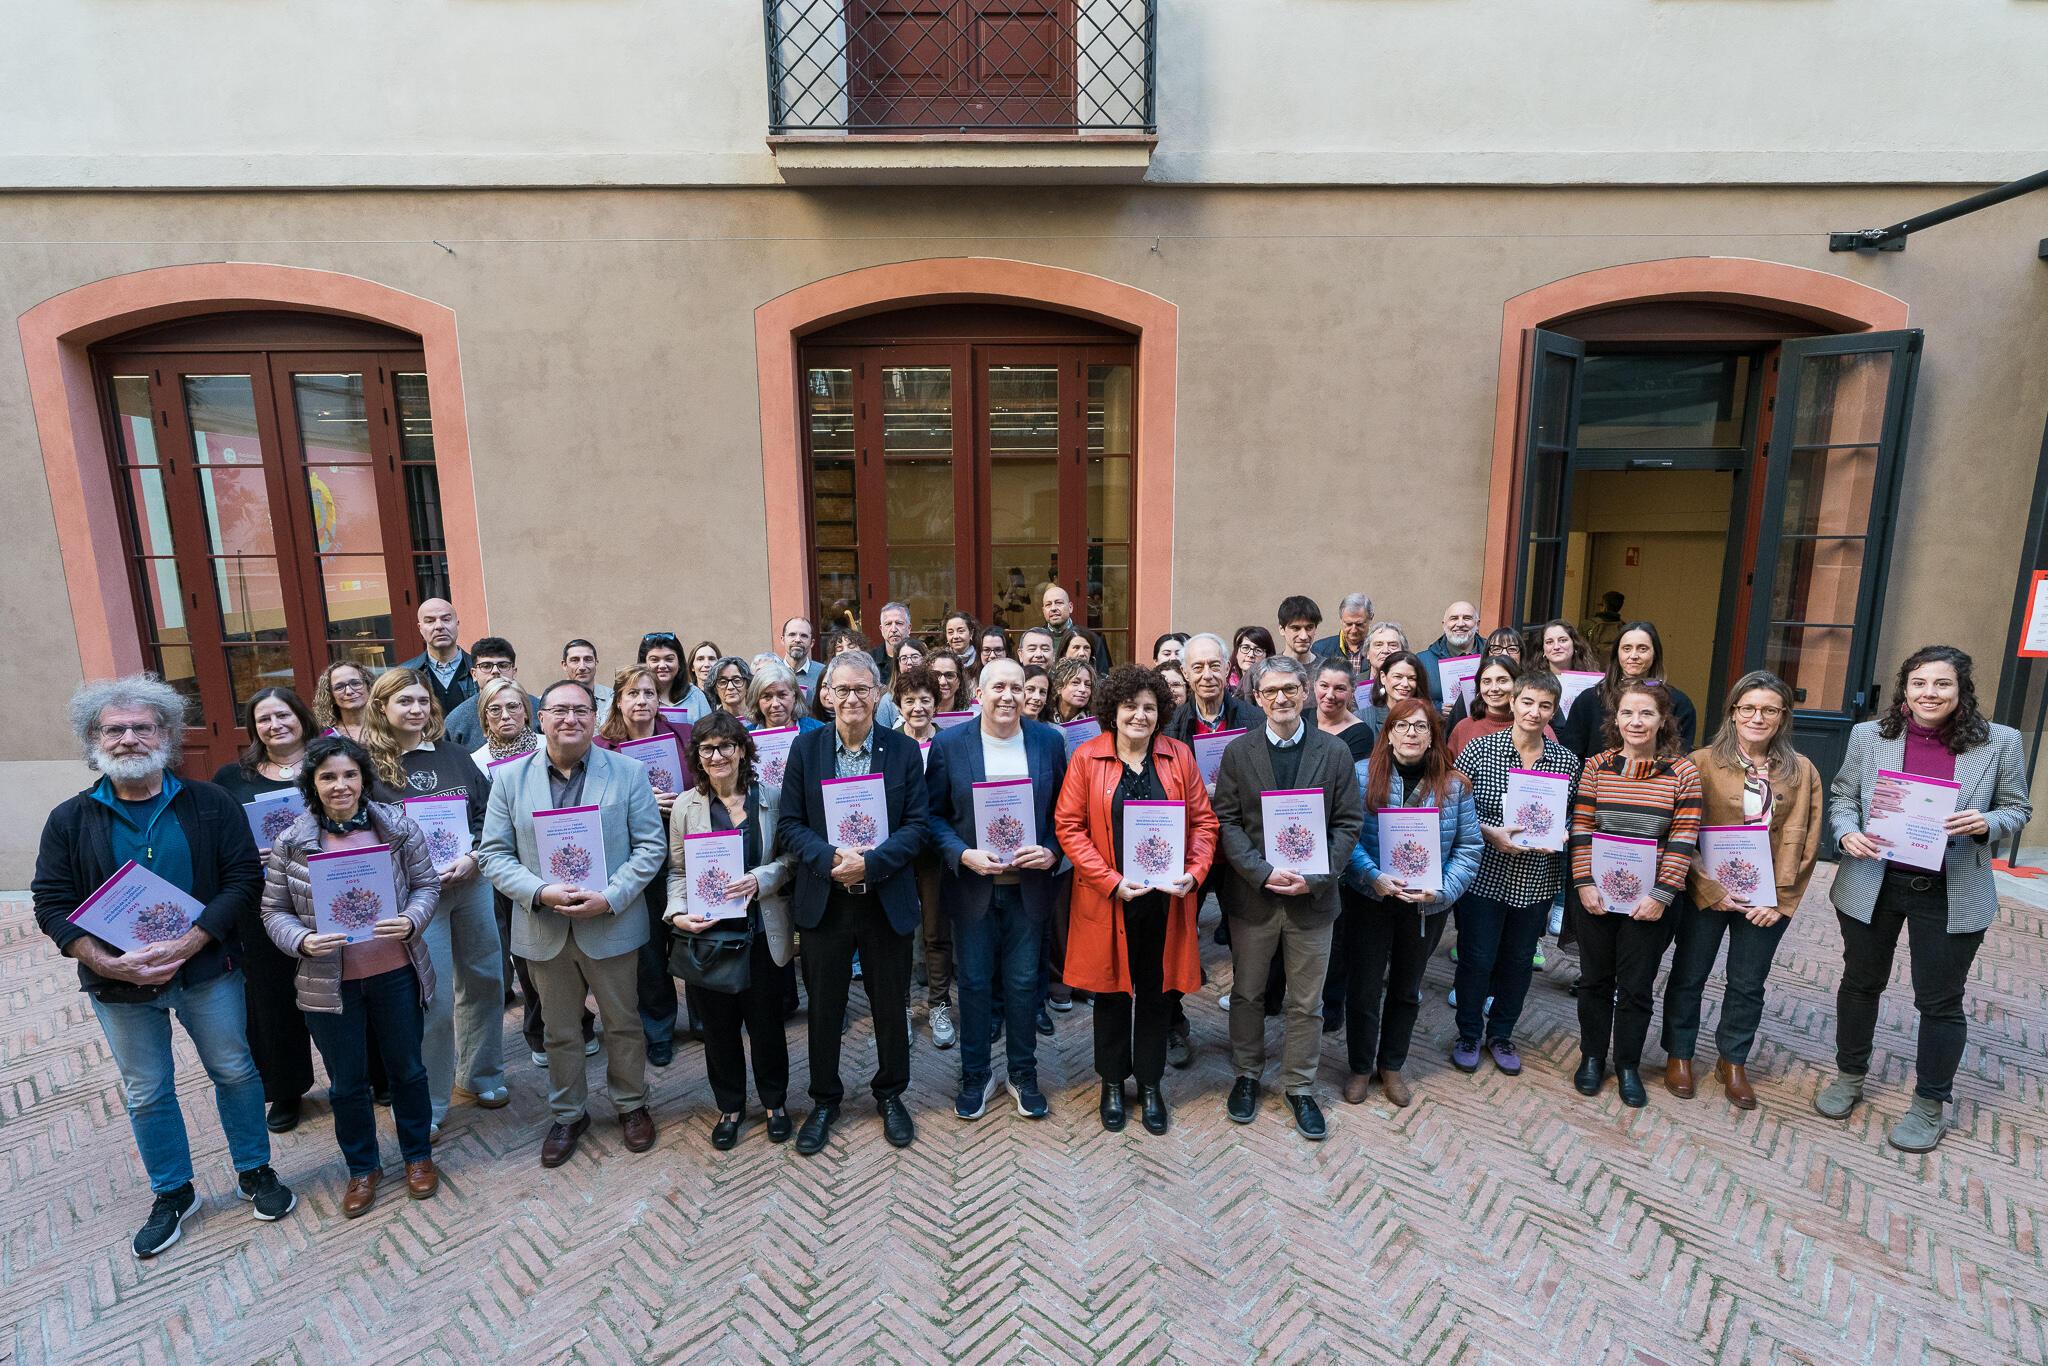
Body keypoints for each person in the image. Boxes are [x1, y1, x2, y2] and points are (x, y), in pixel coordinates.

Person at [31, 676, 296, 1258]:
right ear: (94, 739)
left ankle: (255, 1171)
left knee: (235, 1071)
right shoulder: (69, 819)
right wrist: (104, 961)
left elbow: (242, 879)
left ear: (167, 734)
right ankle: (173, 1192)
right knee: (147, 1091)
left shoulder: (210, 803)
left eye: (142, 727)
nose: (128, 738)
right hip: (119, 984)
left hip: (208, 972)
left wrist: (193, 941)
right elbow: (49, 901)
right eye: (114, 729)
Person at [1817, 645, 2031, 1151]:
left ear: (1961, 690)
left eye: (1942, 684)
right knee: (1860, 984)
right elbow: (1843, 796)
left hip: (1950, 890)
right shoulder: (1870, 736)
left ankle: (1929, 1104)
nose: (1929, 693)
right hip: (1874, 881)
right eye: (1919, 683)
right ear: (1905, 688)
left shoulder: (1999, 741)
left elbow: (2017, 808)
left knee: (1939, 1001)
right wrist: (1846, 832)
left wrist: (1986, 822)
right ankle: (1849, 1076)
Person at [479, 679, 668, 1166]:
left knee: (623, 1024)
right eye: (559, 710)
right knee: (560, 1031)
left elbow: (651, 847)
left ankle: (631, 1104)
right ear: (540, 719)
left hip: (611, 922)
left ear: (594, 717)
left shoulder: (628, 772)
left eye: (581, 710)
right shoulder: (509, 780)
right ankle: (568, 1113)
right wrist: (539, 892)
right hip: (545, 926)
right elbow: (493, 854)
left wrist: (610, 897)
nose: (570, 719)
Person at [260, 735, 440, 1215]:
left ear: (364, 779)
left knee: (408, 1071)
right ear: (312, 784)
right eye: (328, 777)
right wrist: (302, 940)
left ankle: (417, 1156)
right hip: (329, 983)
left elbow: (426, 885)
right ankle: (362, 1168)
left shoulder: (397, 828)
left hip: (396, 972)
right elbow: (273, 910)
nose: (340, 786)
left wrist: (412, 920)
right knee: (347, 1083)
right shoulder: (291, 842)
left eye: (349, 775)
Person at [777, 651, 931, 1154]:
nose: (852, 699)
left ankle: (891, 1094)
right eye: (841, 689)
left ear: (877, 693)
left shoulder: (903, 750)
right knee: (825, 1007)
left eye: (862, 689)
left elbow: (918, 826)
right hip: (826, 898)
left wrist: (873, 862)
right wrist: (829, 859)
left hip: (884, 896)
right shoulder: (806, 748)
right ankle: (824, 1100)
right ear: (825, 695)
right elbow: (790, 824)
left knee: (890, 1003)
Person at [1057, 664, 1218, 1135]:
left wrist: (1194, 873)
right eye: (1130, 706)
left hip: (1164, 901)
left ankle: (1149, 1083)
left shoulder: (1178, 756)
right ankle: (1112, 1083)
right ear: (1114, 710)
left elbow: (1204, 823)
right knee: (1109, 994)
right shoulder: (1087, 758)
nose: (1140, 715)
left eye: (1149, 707)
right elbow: (1069, 826)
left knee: (1156, 993)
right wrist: (1108, 880)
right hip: (1109, 898)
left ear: (1160, 712)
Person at [1212, 656, 1364, 1139]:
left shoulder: (1333, 752)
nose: (1281, 698)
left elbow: (1348, 822)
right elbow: (1226, 821)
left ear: (1305, 692)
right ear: (1257, 697)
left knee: (1306, 1001)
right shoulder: (1238, 752)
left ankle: (1299, 1086)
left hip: (1311, 900)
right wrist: (1261, 872)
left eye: (1290, 690)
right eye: (1271, 691)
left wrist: (1315, 877)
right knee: (1248, 992)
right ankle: (1247, 1075)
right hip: (1254, 897)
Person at [1659, 671, 1821, 1109]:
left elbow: (1807, 841)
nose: (1757, 717)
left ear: (1783, 716)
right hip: (1707, 893)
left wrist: (1781, 902)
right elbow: (1680, 832)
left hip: (1767, 899)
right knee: (1689, 974)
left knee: (1748, 983)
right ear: (1732, 712)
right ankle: (1679, 1054)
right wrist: (1707, 888)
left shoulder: (1802, 771)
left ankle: (1733, 1061)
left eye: (1769, 709)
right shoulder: (1700, 763)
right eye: (1748, 708)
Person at [363, 669, 507, 1125]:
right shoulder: (366, 766)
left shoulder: (456, 756)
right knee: (435, 998)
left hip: (470, 883)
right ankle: (432, 1100)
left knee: (485, 980)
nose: (417, 709)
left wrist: (475, 856)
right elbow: (361, 836)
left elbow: (488, 814)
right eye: (405, 701)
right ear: (382, 707)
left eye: (423, 701)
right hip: (415, 898)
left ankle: (481, 1074)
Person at [927, 658, 1069, 1119]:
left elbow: (1064, 813)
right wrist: (962, 854)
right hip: (973, 886)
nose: (1008, 696)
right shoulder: (950, 744)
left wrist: (1052, 851)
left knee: (1025, 984)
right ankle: (975, 1075)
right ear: (979, 694)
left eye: (1017, 687)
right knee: (972, 983)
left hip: (1029, 886)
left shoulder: (1048, 741)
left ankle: (1023, 1074)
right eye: (999, 687)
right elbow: (932, 815)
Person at [1339, 698, 1481, 1107]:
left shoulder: (1454, 785)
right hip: (1371, 898)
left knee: (1406, 988)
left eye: (1421, 727)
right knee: (1364, 988)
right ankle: (1360, 1066)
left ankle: (1392, 1065)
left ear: (1434, 736)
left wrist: (1443, 890)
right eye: (1401, 726)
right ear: (1387, 734)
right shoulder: (1361, 775)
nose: (1411, 734)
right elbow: (1346, 836)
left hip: (1425, 906)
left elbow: (1469, 848)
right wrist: (1373, 876)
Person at [1568, 680, 1702, 1109]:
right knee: (1594, 980)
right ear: (1616, 718)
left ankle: (1627, 1064)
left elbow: (1683, 838)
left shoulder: (1683, 773)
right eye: (1627, 712)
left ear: (1663, 721)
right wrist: (1584, 883)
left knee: (1637, 986)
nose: (1636, 721)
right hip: (1597, 896)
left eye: (1646, 713)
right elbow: (1582, 826)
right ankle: (1592, 1057)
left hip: (1651, 900)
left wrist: (1661, 895)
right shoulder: (1597, 767)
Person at [667, 713, 796, 1149]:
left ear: (742, 750)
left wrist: (762, 878)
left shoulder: (771, 797)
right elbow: (677, 871)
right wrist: (678, 914)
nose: (717, 755)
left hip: (761, 932)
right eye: (707, 749)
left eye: (726, 746)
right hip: (710, 938)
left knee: (767, 1025)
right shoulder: (685, 806)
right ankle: (730, 1107)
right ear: (697, 757)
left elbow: (790, 859)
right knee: (719, 1029)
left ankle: (775, 1103)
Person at [1452, 670, 1581, 1077]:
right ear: (1512, 702)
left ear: (1554, 711)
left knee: (1519, 961)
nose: (1534, 712)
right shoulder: (1478, 750)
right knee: (1476, 959)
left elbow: (1575, 814)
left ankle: (1502, 1034)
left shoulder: (1566, 761)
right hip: (1484, 875)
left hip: (1537, 878)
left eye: (1544, 705)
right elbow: (1454, 808)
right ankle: (1468, 1033)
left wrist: (1564, 831)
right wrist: (1488, 832)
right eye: (1527, 702)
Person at [209, 687, 320, 1133]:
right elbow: (218, 837)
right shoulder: (232, 778)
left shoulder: (331, 760)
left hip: (327, 891)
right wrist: (243, 853)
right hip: (263, 899)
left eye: (283, 715)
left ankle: (371, 1074)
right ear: (253, 728)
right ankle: (286, 1088)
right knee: (272, 995)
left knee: (347, 984)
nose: (275, 725)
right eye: (264, 719)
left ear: (301, 717)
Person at [596, 664, 695, 1068]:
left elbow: (708, 782)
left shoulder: (684, 736)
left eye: (649, 693)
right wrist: (640, 801)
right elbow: (596, 806)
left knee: (693, 934)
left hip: (685, 850)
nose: (642, 700)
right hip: (634, 858)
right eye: (633, 693)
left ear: (659, 699)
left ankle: (703, 1019)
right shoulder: (601, 749)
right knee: (650, 948)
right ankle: (659, 1029)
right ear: (618, 701)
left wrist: (683, 798)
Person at [891, 664, 954, 1046]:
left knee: (935, 931)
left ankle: (939, 1004)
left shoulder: (949, 743)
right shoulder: (889, 743)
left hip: (934, 851)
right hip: (898, 852)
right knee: (899, 932)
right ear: (899, 704)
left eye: (925, 700)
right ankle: (900, 1008)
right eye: (910, 700)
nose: (918, 707)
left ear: (936, 703)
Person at [1556, 621, 1697, 758]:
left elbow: (1679, 756)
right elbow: (1570, 756)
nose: (1633, 656)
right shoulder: (1589, 699)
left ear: (1655, 654)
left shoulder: (1679, 703)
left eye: (1642, 649)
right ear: (1617, 653)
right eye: (1627, 648)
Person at [442, 637, 531, 750]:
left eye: (503, 665)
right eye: (486, 666)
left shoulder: (538, 708)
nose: (495, 671)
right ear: (474, 674)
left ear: (514, 671)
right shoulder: (455, 721)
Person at [400, 598, 476, 718]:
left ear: (457, 624)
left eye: (446, 619)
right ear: (420, 628)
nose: (439, 626)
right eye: (430, 621)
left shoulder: (479, 669)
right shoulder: (405, 673)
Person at [1447, 655, 1523, 756]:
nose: (1494, 688)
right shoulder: (1463, 728)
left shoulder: (1533, 725)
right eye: (1486, 682)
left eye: (1502, 680)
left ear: (1517, 684)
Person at [1416, 601, 1481, 707]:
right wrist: (1438, 709)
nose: (1460, 624)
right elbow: (1413, 700)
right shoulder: (1422, 661)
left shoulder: (1492, 656)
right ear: (1444, 625)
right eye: (1454, 618)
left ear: (1477, 624)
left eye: (1467, 618)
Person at [1312, 657, 1375, 761]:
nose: (1330, 695)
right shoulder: (1300, 719)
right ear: (1314, 686)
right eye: (1324, 686)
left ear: (1353, 691)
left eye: (1339, 689)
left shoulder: (1360, 734)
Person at [641, 632, 711, 723]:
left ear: (679, 663)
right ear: (643, 663)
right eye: (654, 660)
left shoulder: (696, 696)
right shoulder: (631, 695)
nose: (662, 665)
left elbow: (710, 731)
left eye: (669, 659)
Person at [471, 676, 539, 767]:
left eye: (512, 707)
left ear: (525, 712)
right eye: (495, 709)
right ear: (485, 718)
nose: (505, 716)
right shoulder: (476, 762)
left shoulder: (549, 748)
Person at [1040, 582, 1110, 669]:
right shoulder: (1035, 640)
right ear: (1043, 611)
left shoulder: (1092, 640)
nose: (1053, 608)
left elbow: (1102, 675)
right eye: (1048, 604)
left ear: (1070, 607)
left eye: (1059, 603)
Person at [1360, 650, 1427, 733]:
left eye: (1411, 678)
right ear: (1383, 677)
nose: (1405, 684)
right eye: (1398, 677)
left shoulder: (1428, 716)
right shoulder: (1363, 718)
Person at [749, 660, 825, 734]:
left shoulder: (819, 731)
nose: (775, 704)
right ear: (756, 701)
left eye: (782, 695)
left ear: (795, 696)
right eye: (767, 697)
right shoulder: (746, 735)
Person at [312, 660, 375, 744]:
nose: (349, 691)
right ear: (331, 696)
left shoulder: (387, 723)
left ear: (369, 687)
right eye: (339, 687)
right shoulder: (327, 734)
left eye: (355, 683)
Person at [1313, 593, 1374, 674]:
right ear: (1341, 620)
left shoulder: (1381, 649)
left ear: (1371, 618)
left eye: (1359, 624)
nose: (1354, 630)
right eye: (1348, 624)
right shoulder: (1320, 649)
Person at [562, 639, 614, 718]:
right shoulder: (548, 700)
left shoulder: (613, 699)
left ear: (596, 662)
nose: (582, 667)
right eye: (575, 660)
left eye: (588, 659)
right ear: (564, 665)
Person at [869, 601, 914, 685]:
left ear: (909, 628)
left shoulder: (921, 658)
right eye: (888, 624)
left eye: (899, 623)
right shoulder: (870, 660)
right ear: (881, 630)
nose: (893, 629)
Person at [781, 617, 824, 701]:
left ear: (812, 643)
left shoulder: (823, 673)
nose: (797, 640)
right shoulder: (771, 673)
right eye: (792, 634)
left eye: (804, 636)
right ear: (783, 640)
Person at [1276, 595, 1323, 668]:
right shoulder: (1267, 670)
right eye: (1296, 628)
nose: (1303, 636)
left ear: (1315, 629)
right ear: (1281, 629)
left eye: (1309, 628)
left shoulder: (1328, 669)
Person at [1227, 627, 1273, 699]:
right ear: (1236, 652)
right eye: (1245, 648)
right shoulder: (1224, 682)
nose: (1251, 655)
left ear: (1267, 656)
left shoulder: (1273, 684)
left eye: (1258, 650)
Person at [1582, 590, 1627, 663]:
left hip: (1592, 666)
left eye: (1601, 605)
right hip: (1614, 666)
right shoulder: (1624, 627)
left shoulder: (1588, 624)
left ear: (1604, 606)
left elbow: (1579, 648)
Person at [1049, 657, 1097, 726]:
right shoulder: (1043, 714)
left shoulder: (1096, 720)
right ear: (1058, 687)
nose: (1083, 689)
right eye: (1075, 682)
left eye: (1088, 685)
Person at [708, 656, 754, 721]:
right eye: (723, 682)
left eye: (737, 680)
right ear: (715, 689)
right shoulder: (711, 724)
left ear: (747, 685)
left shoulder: (761, 720)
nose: (730, 687)